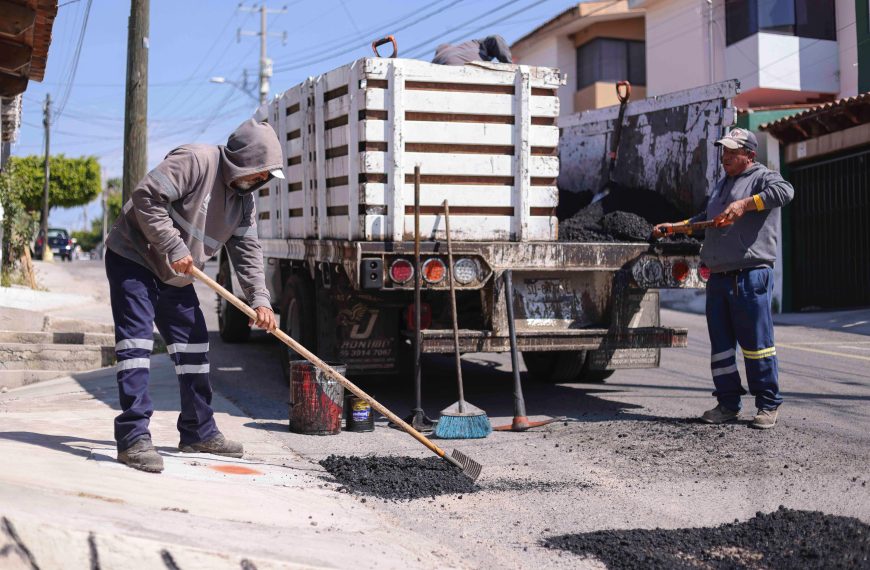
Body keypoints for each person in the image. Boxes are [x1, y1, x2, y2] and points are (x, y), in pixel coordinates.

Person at [104, 119, 282, 472]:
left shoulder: (243, 202)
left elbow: (247, 250)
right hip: (135, 258)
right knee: (136, 346)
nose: (260, 181)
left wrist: (259, 299)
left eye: (265, 177)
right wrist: (172, 244)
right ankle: (133, 438)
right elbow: (146, 196)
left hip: (177, 275)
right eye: (259, 172)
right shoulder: (196, 161)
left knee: (195, 349)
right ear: (243, 159)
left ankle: (198, 430)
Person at [653, 128, 794, 429]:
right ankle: (727, 404)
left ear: (750, 156)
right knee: (722, 348)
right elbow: (707, 219)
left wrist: (745, 204)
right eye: (724, 151)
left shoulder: (762, 177)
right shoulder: (722, 185)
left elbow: (785, 192)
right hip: (718, 278)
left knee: (758, 345)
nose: (725, 157)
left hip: (750, 275)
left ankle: (767, 405)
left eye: (732, 152)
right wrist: (675, 227)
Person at [431, 34, 513, 65]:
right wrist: (508, 66)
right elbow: (496, 38)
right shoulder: (476, 43)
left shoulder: (436, 60)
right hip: (470, 70)